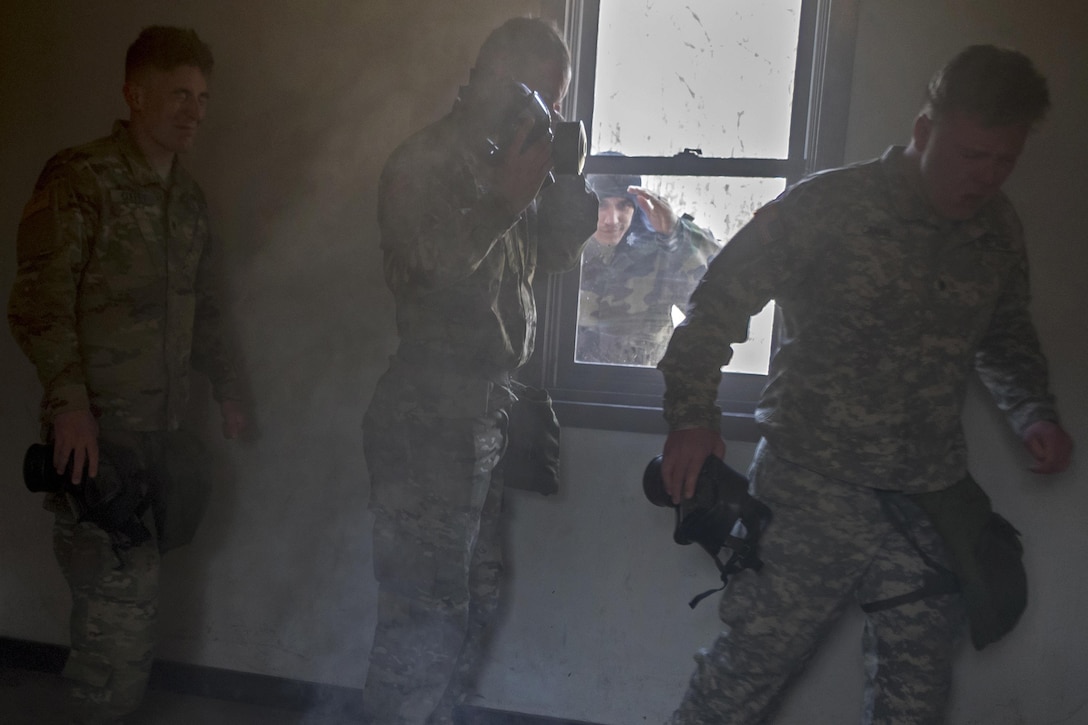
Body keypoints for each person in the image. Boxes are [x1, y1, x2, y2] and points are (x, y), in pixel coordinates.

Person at [656, 45, 1074, 724]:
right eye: (972, 155)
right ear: (923, 130)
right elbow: (717, 303)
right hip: (812, 488)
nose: (988, 177)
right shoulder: (829, 208)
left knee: (916, 693)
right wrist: (693, 414)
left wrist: (1034, 412)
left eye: (1005, 161)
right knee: (744, 676)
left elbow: (1004, 334)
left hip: (926, 498)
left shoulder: (997, 231)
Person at [8, 26, 248, 724]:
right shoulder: (81, 178)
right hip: (99, 445)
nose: (194, 111)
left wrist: (228, 389)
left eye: (202, 98)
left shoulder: (189, 200)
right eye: (179, 94)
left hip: (162, 448)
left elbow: (202, 308)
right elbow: (38, 302)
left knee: (128, 618)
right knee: (116, 629)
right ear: (134, 93)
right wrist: (70, 405)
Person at [362, 16, 598, 725]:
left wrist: (562, 179)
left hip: (486, 413)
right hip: (428, 416)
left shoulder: (514, 159)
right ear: (497, 80)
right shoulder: (426, 162)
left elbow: (550, 258)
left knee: (477, 595)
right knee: (421, 616)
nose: (547, 113)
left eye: (557, 102)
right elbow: (424, 269)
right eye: (540, 96)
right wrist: (505, 194)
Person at [576, 170, 720, 367]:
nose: (612, 219)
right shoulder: (567, 252)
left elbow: (716, 310)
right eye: (602, 205)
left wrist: (678, 236)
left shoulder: (660, 254)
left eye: (623, 205)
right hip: (572, 386)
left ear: (635, 207)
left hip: (641, 387)